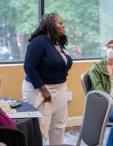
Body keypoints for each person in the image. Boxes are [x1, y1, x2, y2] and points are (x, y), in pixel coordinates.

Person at [22, 13, 73, 145]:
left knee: (59, 124)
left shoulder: (58, 42)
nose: (63, 26)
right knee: (39, 126)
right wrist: (44, 90)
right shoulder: (39, 42)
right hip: (39, 89)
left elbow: (63, 63)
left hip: (60, 87)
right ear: (51, 25)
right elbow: (29, 67)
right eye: (60, 23)